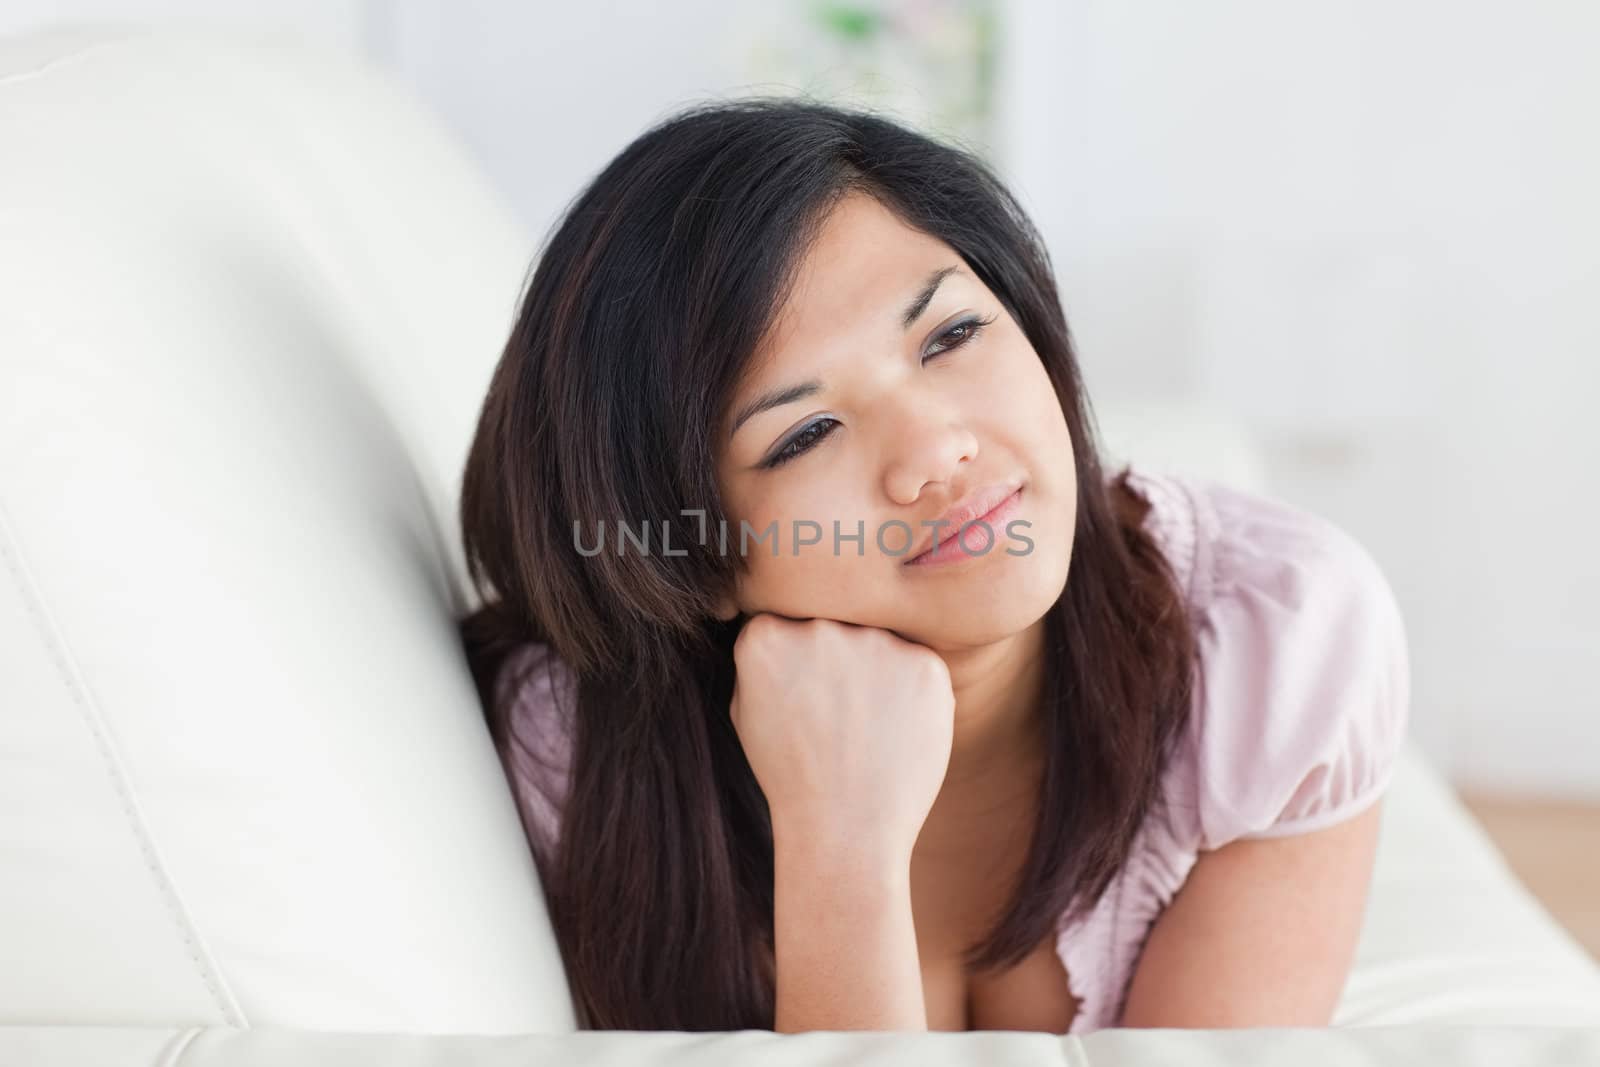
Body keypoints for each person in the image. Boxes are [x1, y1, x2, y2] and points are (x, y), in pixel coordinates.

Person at [455, 98, 1410, 1035]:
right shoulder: (573, 751)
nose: (935, 454)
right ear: (695, 559)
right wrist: (842, 849)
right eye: (806, 433)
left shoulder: (1276, 642)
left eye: (951, 336)